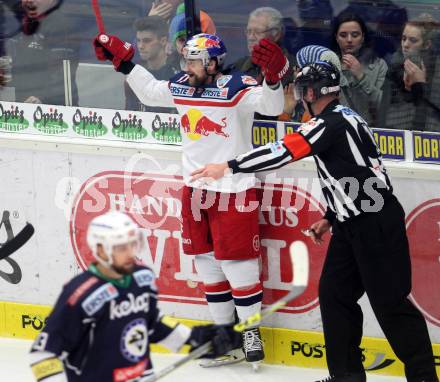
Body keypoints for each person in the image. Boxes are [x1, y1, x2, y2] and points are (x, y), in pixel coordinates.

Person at [190, 61, 439, 382]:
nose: (297, 95)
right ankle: (346, 376)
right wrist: (332, 217)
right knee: (335, 296)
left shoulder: (327, 124)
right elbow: (359, 174)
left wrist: (228, 165)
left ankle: (423, 378)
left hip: (374, 226)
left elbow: (282, 151)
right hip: (352, 224)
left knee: (390, 306)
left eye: (298, 88)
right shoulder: (347, 117)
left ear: (310, 92)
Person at [92, 31, 288, 367]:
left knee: (237, 263)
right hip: (195, 190)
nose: (188, 65)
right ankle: (225, 336)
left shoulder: (237, 86)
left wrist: (273, 78)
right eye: (187, 59)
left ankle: (251, 332)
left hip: (234, 189)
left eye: (195, 60)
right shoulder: (183, 83)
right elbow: (152, 93)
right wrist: (125, 64)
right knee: (207, 264)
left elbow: (272, 107)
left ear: (213, 62)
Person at [29, 211, 239, 382]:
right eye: (121, 247)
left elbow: (150, 323)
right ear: (100, 250)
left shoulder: (142, 278)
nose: (130, 252)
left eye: (132, 243)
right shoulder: (81, 294)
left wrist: (194, 338)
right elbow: (42, 353)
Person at [8, 0, 79, 105]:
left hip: (53, 110)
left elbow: (61, 70)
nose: (29, 1)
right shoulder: (20, 25)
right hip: (23, 105)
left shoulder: (59, 24)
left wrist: (42, 97)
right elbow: (19, 70)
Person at [378, 13, 440, 132]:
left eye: (413, 40)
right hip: (397, 136)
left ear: (427, 45)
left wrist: (421, 85)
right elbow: (385, 110)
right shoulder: (394, 68)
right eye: (403, 38)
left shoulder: (437, 70)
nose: (405, 45)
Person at [330, 12, 388, 126]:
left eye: (355, 35)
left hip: (368, 130)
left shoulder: (379, 65)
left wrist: (361, 76)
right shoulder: (328, 64)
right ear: (336, 37)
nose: (349, 40)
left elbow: (383, 105)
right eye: (343, 35)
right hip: (335, 129)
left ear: (363, 37)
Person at [125, 16, 179, 112]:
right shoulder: (135, 75)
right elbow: (129, 115)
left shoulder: (178, 75)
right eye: (138, 40)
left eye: (147, 41)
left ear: (163, 41)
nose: (141, 46)